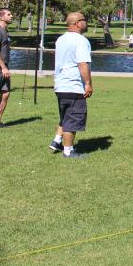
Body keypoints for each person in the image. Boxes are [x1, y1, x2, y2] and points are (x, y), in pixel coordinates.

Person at [48, 12, 94, 158]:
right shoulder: (81, 40)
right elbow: (82, 63)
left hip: (60, 85)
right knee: (73, 119)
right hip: (73, 85)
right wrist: (87, 83)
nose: (86, 22)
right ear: (77, 23)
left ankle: (57, 141)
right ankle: (68, 151)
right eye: (84, 20)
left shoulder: (60, 39)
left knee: (66, 116)